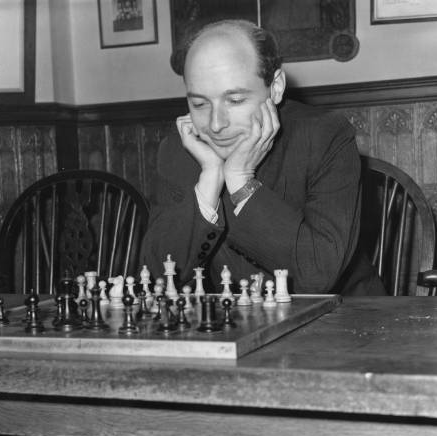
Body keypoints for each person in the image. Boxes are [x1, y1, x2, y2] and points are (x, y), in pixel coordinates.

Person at [139, 19, 386, 296]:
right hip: (232, 326)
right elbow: (156, 279)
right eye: (199, 103)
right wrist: (209, 179)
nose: (216, 124)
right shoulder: (178, 150)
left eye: (234, 101)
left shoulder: (325, 136)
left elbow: (317, 276)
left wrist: (240, 183)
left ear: (276, 87)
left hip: (343, 323)